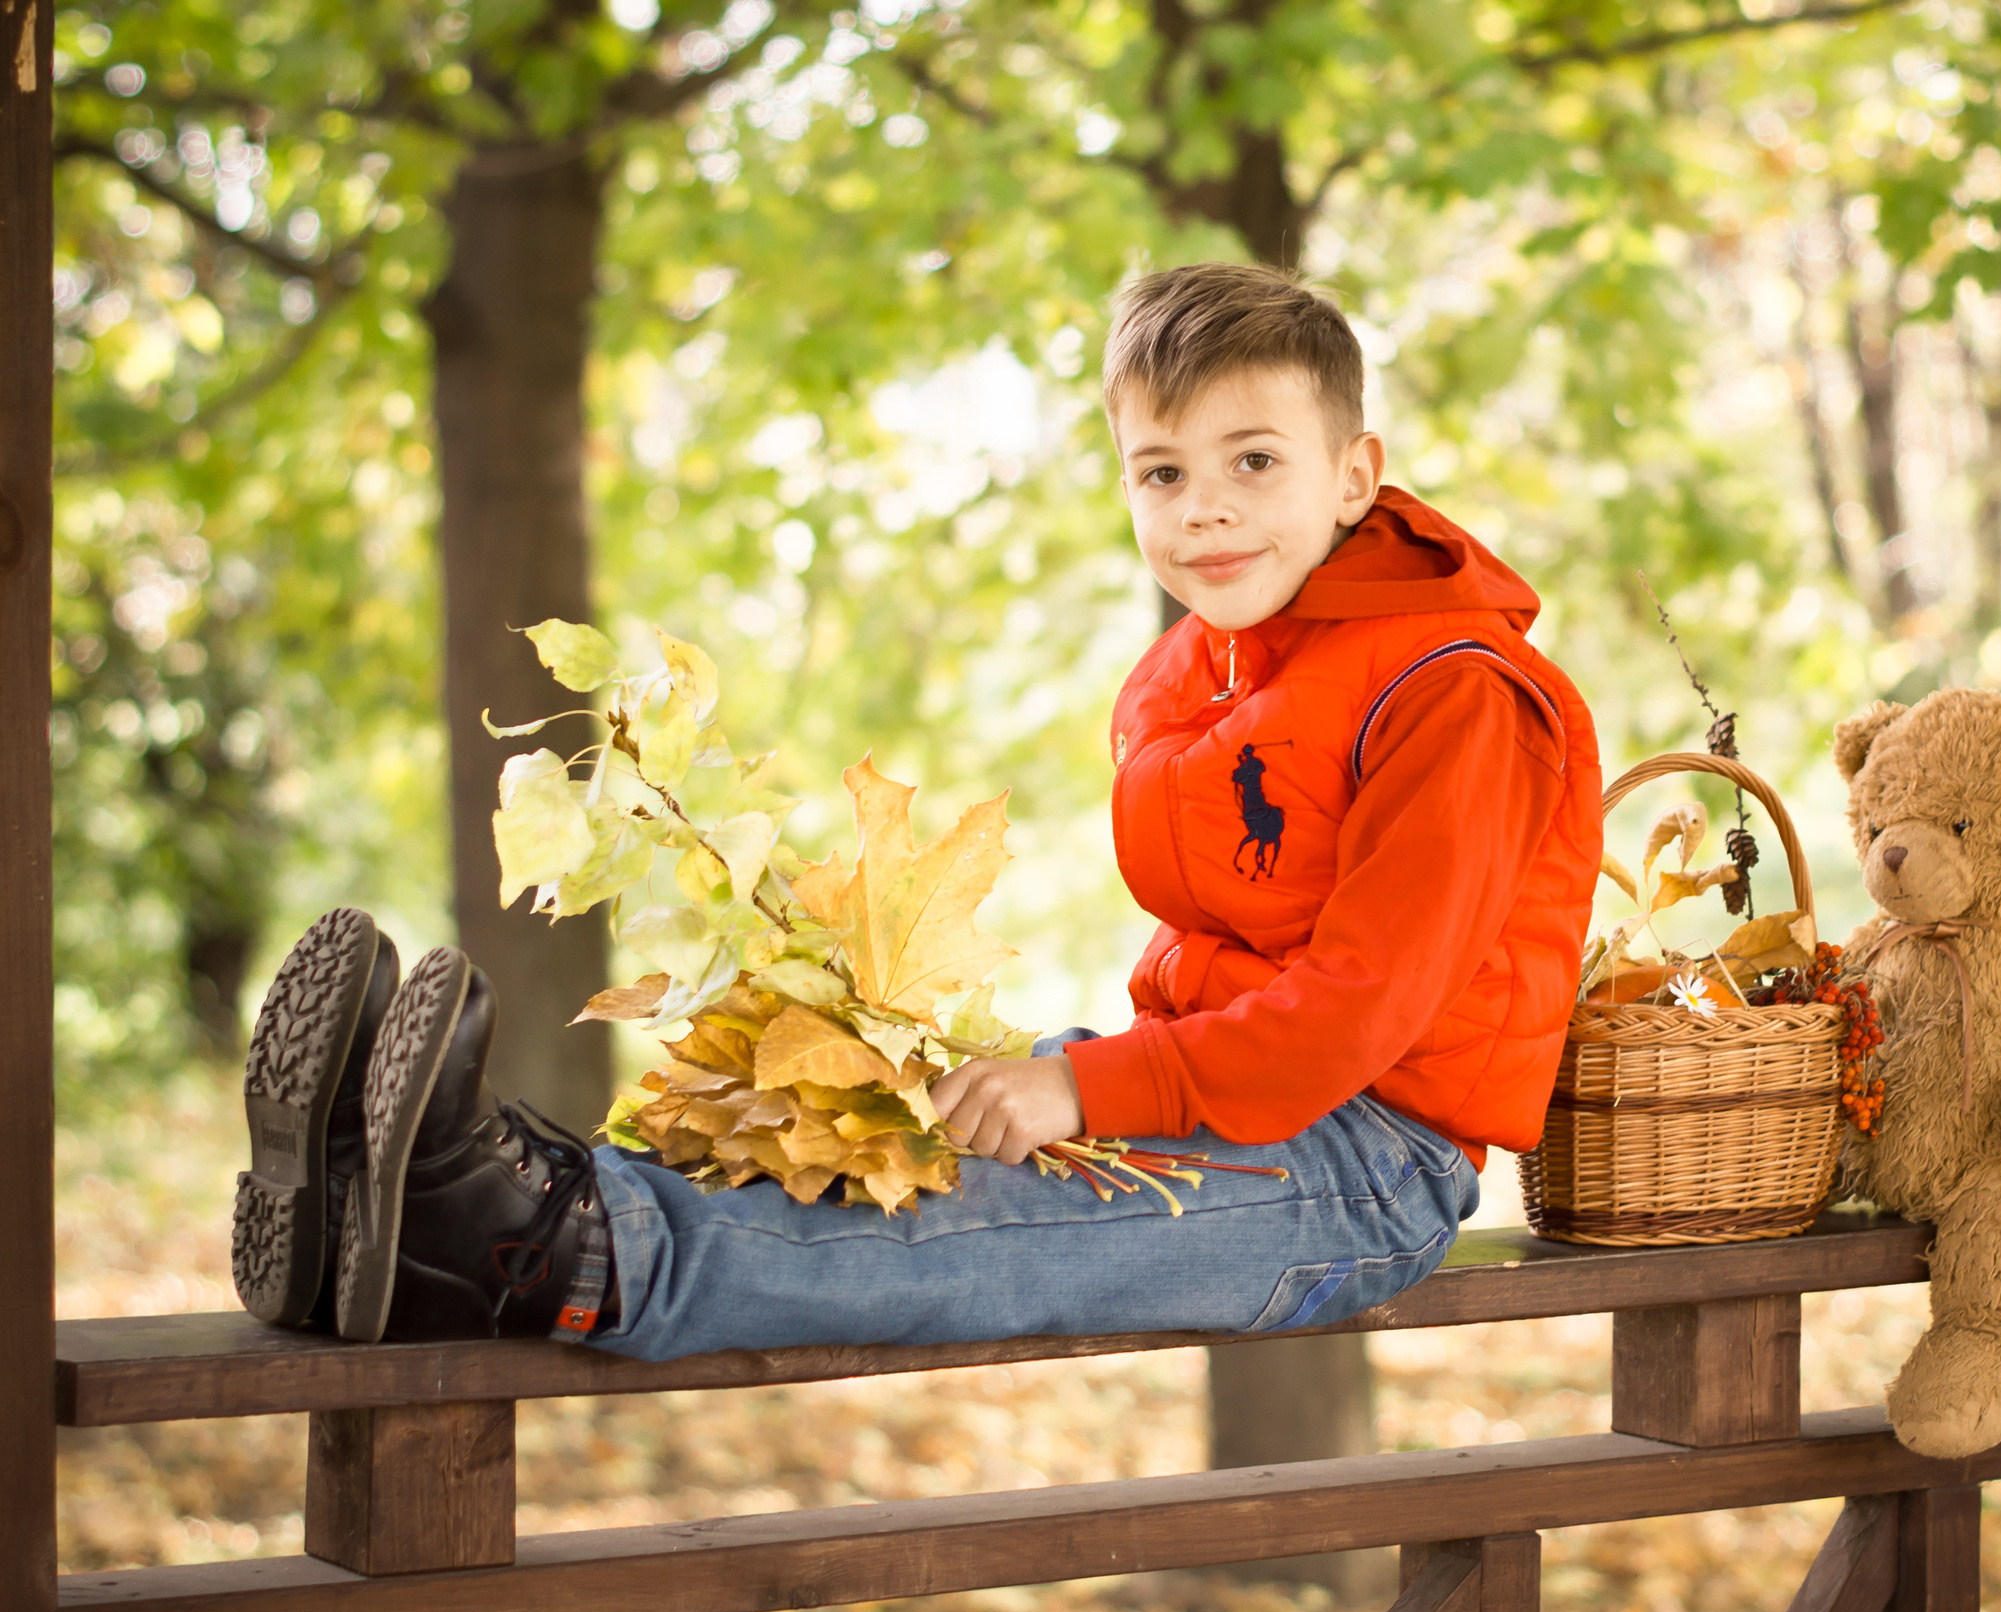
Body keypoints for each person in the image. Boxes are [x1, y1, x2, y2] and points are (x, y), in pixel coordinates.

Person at [234, 263, 1604, 1358]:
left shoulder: (1458, 695)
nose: (1204, 511)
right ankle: (394, 1206)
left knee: (967, 1222)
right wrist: (1082, 1074)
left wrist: (1084, 1084)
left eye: (1255, 461)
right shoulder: (1214, 668)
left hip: (1364, 1165)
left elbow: (1357, 1012)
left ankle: (543, 1251)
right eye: (1163, 472)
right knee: (880, 1127)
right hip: (1228, 1091)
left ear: (1355, 473)